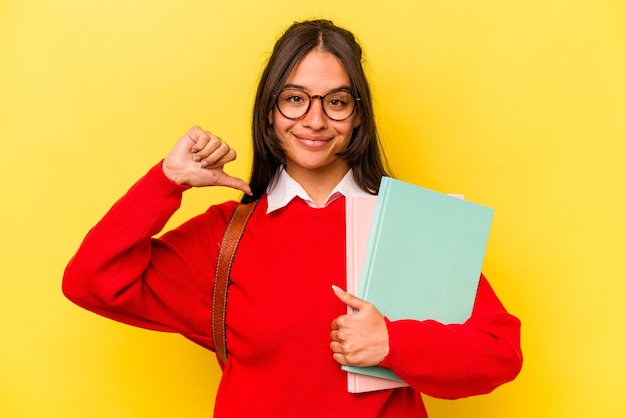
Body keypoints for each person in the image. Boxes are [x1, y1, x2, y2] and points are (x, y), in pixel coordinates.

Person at [63, 19, 522, 417]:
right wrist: (168, 180)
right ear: (269, 112)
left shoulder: (410, 224)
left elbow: (499, 354)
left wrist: (392, 344)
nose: (315, 120)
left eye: (336, 102)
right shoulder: (226, 236)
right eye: (295, 99)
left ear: (358, 115)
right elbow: (91, 280)